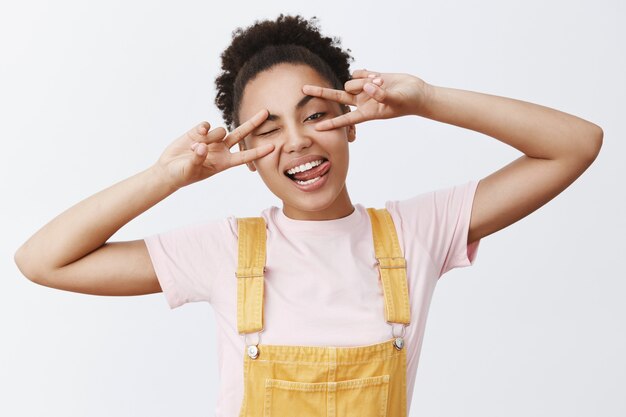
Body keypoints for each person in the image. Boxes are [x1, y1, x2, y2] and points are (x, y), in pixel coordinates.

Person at [14, 13, 602, 417]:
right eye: (267, 131)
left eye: (316, 115)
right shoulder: (224, 251)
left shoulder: (416, 231)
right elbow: (42, 260)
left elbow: (575, 143)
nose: (296, 142)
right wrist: (168, 175)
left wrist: (424, 99)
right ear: (246, 156)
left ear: (353, 123)